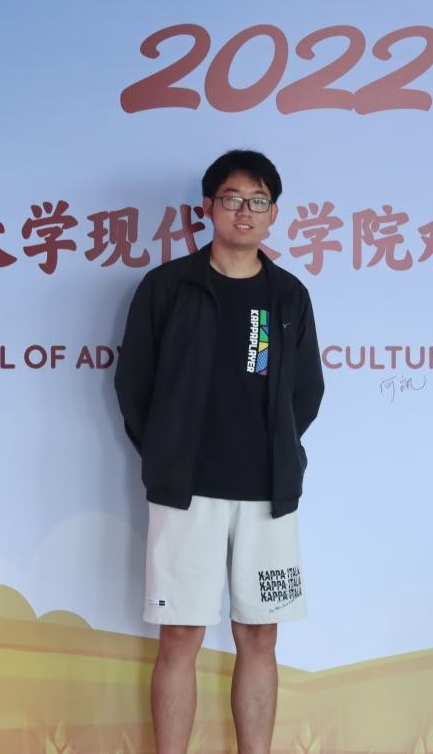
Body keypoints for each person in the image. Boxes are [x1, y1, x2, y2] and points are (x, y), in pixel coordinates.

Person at [115, 149, 325, 754]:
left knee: (260, 638)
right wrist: (168, 451)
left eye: (258, 201)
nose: (245, 211)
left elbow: (307, 393)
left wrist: (277, 450)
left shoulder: (288, 296)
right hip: (186, 491)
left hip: (267, 494)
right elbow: (134, 386)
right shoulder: (167, 288)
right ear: (208, 206)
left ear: (274, 213)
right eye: (232, 198)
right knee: (180, 636)